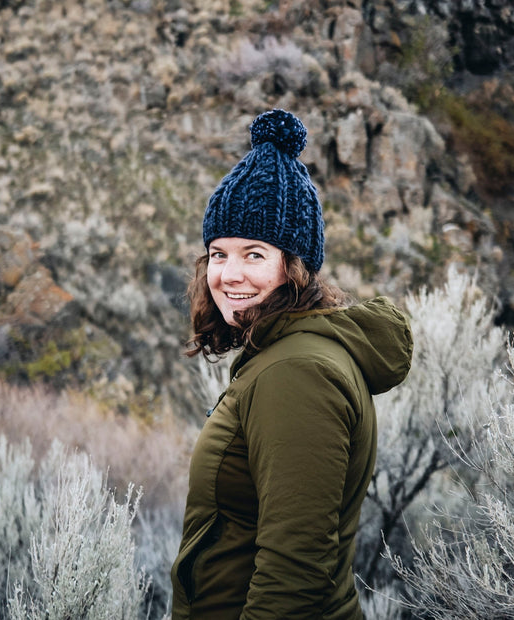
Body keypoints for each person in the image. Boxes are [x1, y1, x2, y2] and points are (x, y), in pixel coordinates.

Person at [171, 109, 413, 619]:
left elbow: (295, 572)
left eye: (254, 254)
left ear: (294, 266)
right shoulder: (284, 353)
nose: (228, 274)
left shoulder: (296, 371)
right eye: (218, 254)